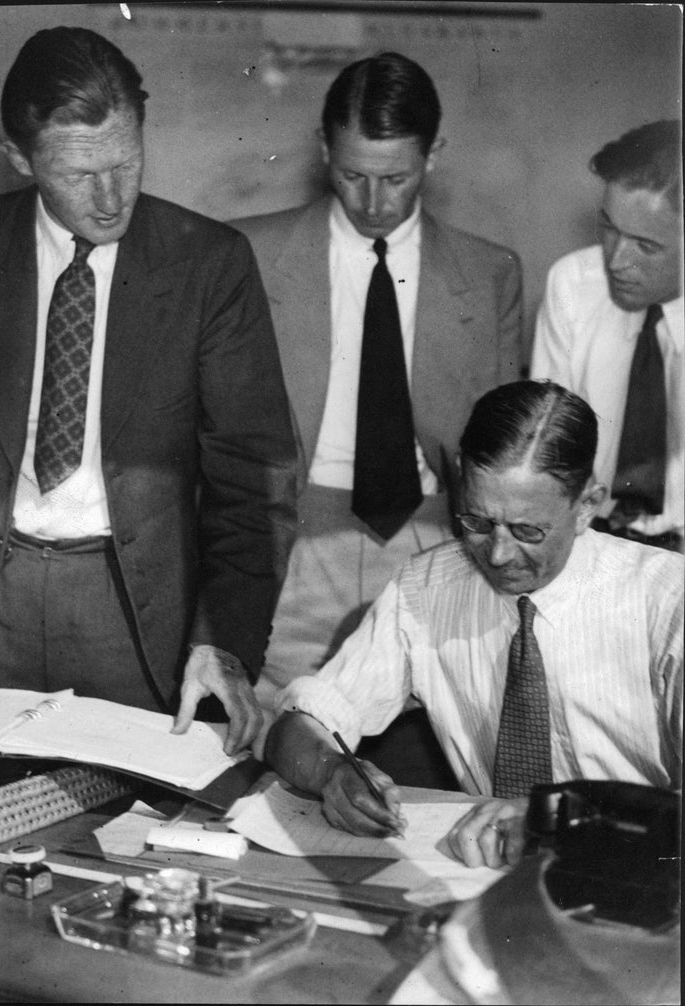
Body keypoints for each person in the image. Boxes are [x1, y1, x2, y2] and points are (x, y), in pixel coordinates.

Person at [0, 27, 298, 754]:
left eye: (127, 161)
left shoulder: (210, 264)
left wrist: (225, 641)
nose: (111, 198)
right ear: (20, 160)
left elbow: (252, 482)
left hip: (135, 615)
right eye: (79, 174)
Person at [264, 380, 683, 868]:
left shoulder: (666, 599)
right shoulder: (427, 587)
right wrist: (332, 771)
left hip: (639, 874)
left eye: (528, 530)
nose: (499, 554)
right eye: (478, 523)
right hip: (486, 876)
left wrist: (561, 819)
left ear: (588, 505)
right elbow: (302, 722)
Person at [233, 52, 524, 711]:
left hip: (435, 544)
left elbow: (496, 455)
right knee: (278, 739)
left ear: (435, 154)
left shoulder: (491, 273)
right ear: (322, 149)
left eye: (396, 178)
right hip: (296, 543)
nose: (371, 202)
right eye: (351, 174)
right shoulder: (246, 254)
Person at [532, 120, 683, 552]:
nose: (616, 260)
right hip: (591, 540)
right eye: (609, 227)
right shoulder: (573, 284)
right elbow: (550, 452)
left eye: (646, 246)